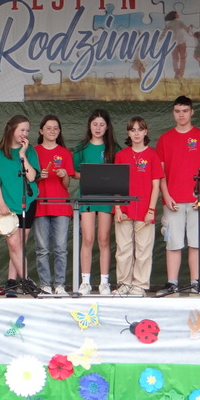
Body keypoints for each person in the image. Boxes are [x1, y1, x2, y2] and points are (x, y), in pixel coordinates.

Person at [155, 96, 200, 296]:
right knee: (173, 242)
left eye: (185, 111)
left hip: (197, 199)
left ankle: (196, 283)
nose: (181, 115)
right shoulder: (165, 139)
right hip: (173, 200)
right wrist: (166, 195)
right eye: (177, 111)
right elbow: (160, 172)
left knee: (197, 242)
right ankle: (172, 283)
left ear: (192, 112)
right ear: (173, 113)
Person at [0, 115, 39, 298]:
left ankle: (11, 281)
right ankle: (26, 280)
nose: (25, 134)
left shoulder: (29, 151)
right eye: (22, 130)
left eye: (27, 130)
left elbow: (31, 177)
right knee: (13, 242)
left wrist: (23, 155)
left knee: (19, 245)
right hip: (8, 205)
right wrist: (0, 203)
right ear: (12, 130)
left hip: (27, 201)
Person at [113, 117, 164, 296]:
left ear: (145, 132)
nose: (136, 133)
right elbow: (117, 184)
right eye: (133, 130)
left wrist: (151, 210)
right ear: (128, 133)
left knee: (143, 249)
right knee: (123, 249)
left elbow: (156, 185)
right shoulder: (121, 155)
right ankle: (124, 283)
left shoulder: (152, 155)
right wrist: (118, 208)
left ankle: (140, 285)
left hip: (144, 210)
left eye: (139, 129)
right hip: (124, 209)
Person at [72, 109, 120, 296]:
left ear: (107, 127)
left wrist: (106, 178)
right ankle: (85, 282)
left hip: (106, 198)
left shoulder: (113, 148)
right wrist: (91, 175)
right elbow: (74, 172)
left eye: (101, 124)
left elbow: (119, 173)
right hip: (87, 197)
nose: (98, 128)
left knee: (104, 239)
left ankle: (104, 282)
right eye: (95, 124)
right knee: (88, 238)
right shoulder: (81, 148)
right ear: (89, 126)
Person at [34, 115, 75, 295]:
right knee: (42, 249)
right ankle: (45, 285)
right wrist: (38, 177)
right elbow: (29, 179)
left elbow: (66, 185)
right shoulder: (33, 152)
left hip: (60, 205)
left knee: (61, 249)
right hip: (40, 204)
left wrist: (64, 174)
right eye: (48, 128)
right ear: (41, 130)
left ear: (59, 131)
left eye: (56, 128)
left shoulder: (64, 153)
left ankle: (59, 285)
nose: (52, 131)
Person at [163, 10, 191, 79]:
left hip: (173, 43)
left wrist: (158, 39)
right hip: (182, 42)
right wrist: (190, 27)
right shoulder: (180, 22)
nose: (178, 14)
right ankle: (181, 75)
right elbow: (187, 31)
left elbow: (163, 33)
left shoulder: (168, 24)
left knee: (175, 59)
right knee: (183, 59)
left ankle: (176, 70)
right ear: (175, 15)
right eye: (177, 13)